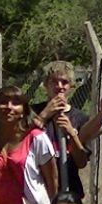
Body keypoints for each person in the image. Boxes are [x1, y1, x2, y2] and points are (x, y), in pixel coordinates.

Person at [31, 61, 90, 196]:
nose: (59, 87)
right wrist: (44, 115)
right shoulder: (33, 112)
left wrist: (71, 133)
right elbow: (21, 141)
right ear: (45, 84)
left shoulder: (80, 118)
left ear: (71, 86)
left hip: (70, 189)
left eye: (64, 82)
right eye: (54, 82)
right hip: (39, 188)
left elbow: (81, 162)